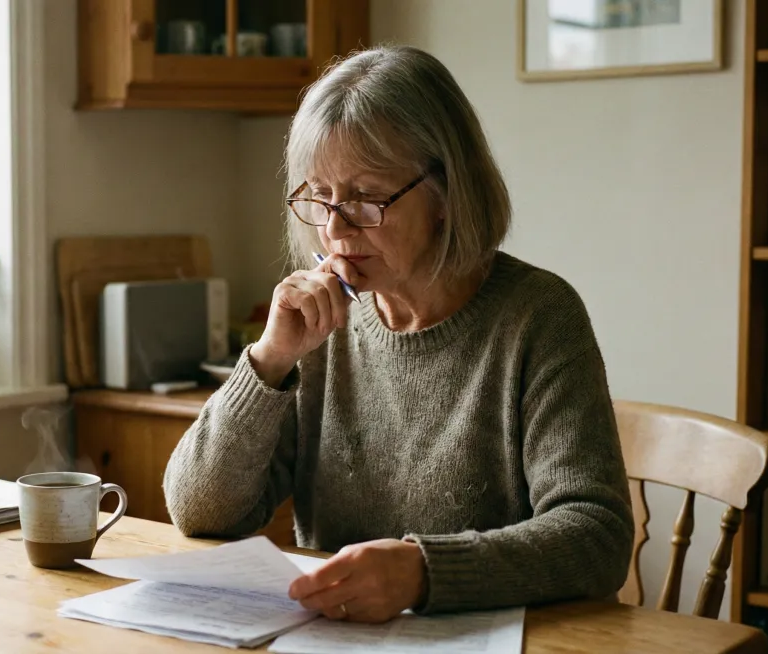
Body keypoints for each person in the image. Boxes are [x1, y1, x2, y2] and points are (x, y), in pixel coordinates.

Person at [162, 44, 634, 624]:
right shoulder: (320, 325)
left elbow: (596, 537)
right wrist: (270, 359)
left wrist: (424, 572)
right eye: (320, 195)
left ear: (445, 194)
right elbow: (201, 511)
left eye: (364, 198)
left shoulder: (538, 316)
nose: (335, 227)